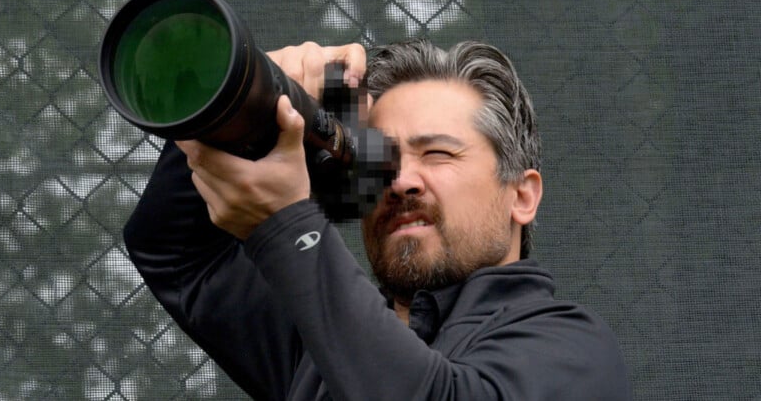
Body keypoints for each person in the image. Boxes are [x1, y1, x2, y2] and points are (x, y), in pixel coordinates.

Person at [123, 39, 632, 400]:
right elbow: (174, 251)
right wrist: (246, 102)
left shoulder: (572, 349)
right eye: (380, 163)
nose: (402, 181)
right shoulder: (323, 352)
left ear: (522, 195)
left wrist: (287, 224)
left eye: (437, 153)